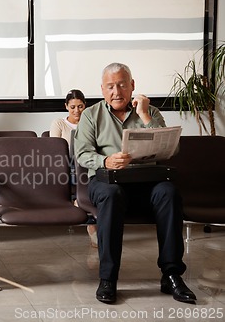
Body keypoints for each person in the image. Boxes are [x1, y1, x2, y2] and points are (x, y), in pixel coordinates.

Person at [74, 62, 196, 304]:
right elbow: (82, 153)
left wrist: (145, 116)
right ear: (102, 89)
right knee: (111, 194)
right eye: (110, 86)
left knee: (168, 192)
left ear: (132, 86)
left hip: (146, 180)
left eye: (121, 85)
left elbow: (171, 149)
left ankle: (171, 275)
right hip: (106, 180)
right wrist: (106, 160)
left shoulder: (150, 111)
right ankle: (108, 278)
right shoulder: (91, 115)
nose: (116, 92)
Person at [49, 90, 97, 247]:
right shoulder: (59, 123)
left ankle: (81, 202)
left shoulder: (91, 122)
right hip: (67, 166)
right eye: (72, 107)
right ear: (66, 107)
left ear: (85, 106)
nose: (77, 111)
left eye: (80, 106)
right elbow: (54, 151)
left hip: (88, 164)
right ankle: (91, 223)